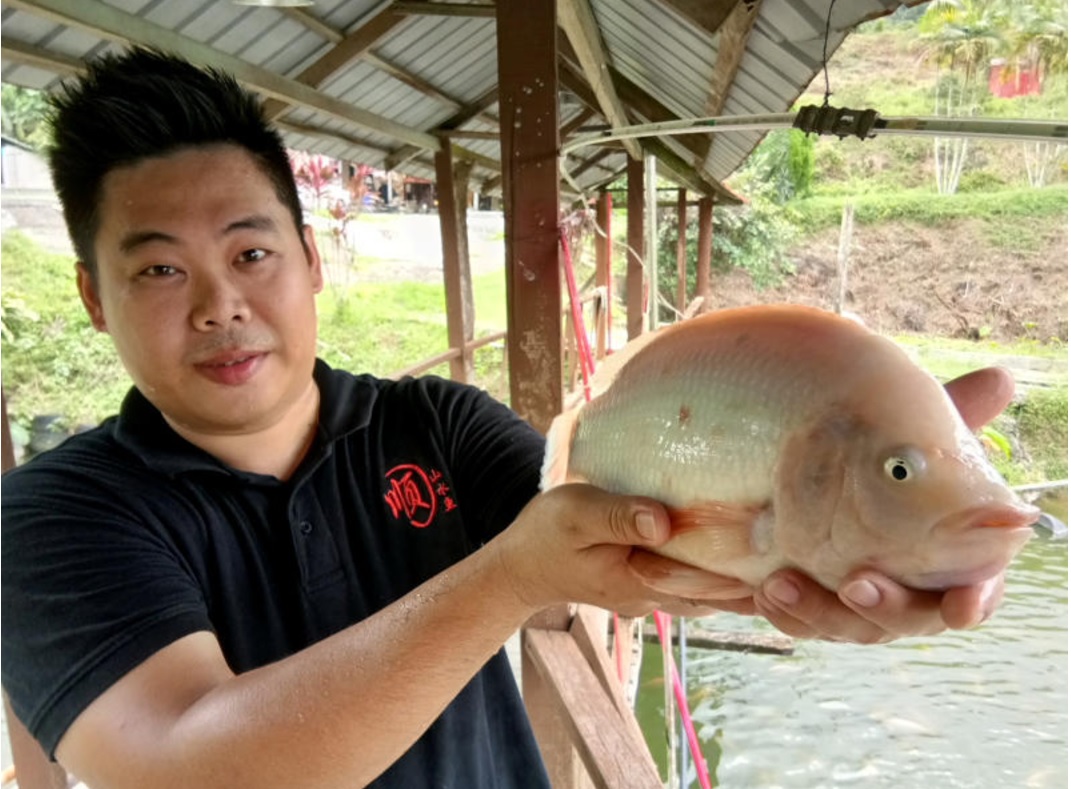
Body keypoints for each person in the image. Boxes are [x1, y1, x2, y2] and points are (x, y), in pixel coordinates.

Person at [1, 48, 1009, 789]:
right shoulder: (52, 517)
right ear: (96, 299)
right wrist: (507, 579)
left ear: (310, 262)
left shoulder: (435, 426)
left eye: (251, 252)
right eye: (161, 269)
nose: (220, 303)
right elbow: (185, 766)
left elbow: (618, 526)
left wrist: (853, 516)